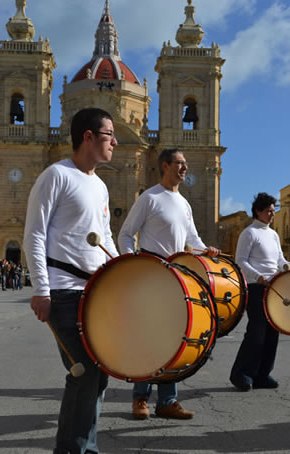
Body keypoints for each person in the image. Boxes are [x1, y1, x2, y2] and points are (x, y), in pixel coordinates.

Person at [23, 107, 119, 454]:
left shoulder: (100, 186)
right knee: (85, 373)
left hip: (95, 292)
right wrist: (41, 290)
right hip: (64, 292)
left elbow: (106, 237)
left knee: (99, 373)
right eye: (110, 135)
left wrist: (126, 272)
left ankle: (82, 446)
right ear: (88, 137)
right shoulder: (56, 175)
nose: (116, 142)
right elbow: (34, 234)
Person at [118, 148, 220, 420]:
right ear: (165, 166)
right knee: (148, 338)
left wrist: (205, 250)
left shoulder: (184, 203)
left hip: (176, 276)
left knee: (173, 338)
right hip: (151, 273)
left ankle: (167, 401)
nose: (184, 167)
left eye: (186, 163)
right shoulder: (149, 198)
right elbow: (126, 234)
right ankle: (140, 398)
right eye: (180, 163)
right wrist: (133, 263)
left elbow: (193, 240)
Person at [230, 192, 289, 392]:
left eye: (274, 210)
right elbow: (241, 261)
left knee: (272, 331)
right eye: (269, 211)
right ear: (258, 211)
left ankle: (263, 375)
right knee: (257, 332)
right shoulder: (249, 233)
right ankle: (241, 374)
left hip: (274, 287)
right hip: (256, 288)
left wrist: (286, 266)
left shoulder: (273, 234)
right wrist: (258, 276)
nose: (272, 214)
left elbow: (279, 259)